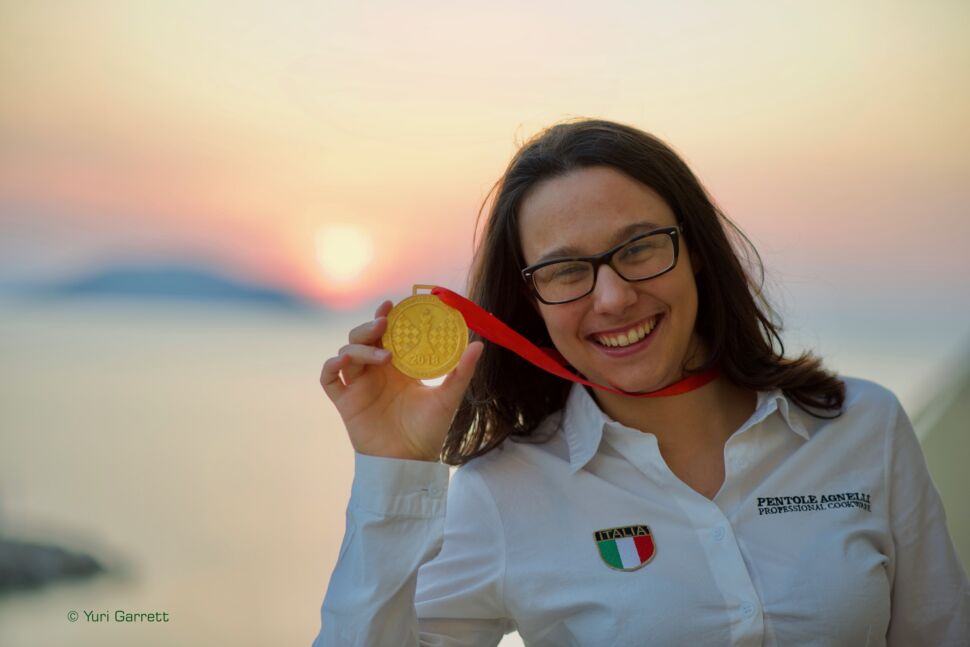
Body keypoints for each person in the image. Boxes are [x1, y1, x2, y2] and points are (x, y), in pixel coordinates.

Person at [313, 118, 969, 646]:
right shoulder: (504, 492)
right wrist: (392, 466)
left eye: (639, 247)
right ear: (530, 305)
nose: (613, 297)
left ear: (696, 252)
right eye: (567, 269)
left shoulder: (863, 426)